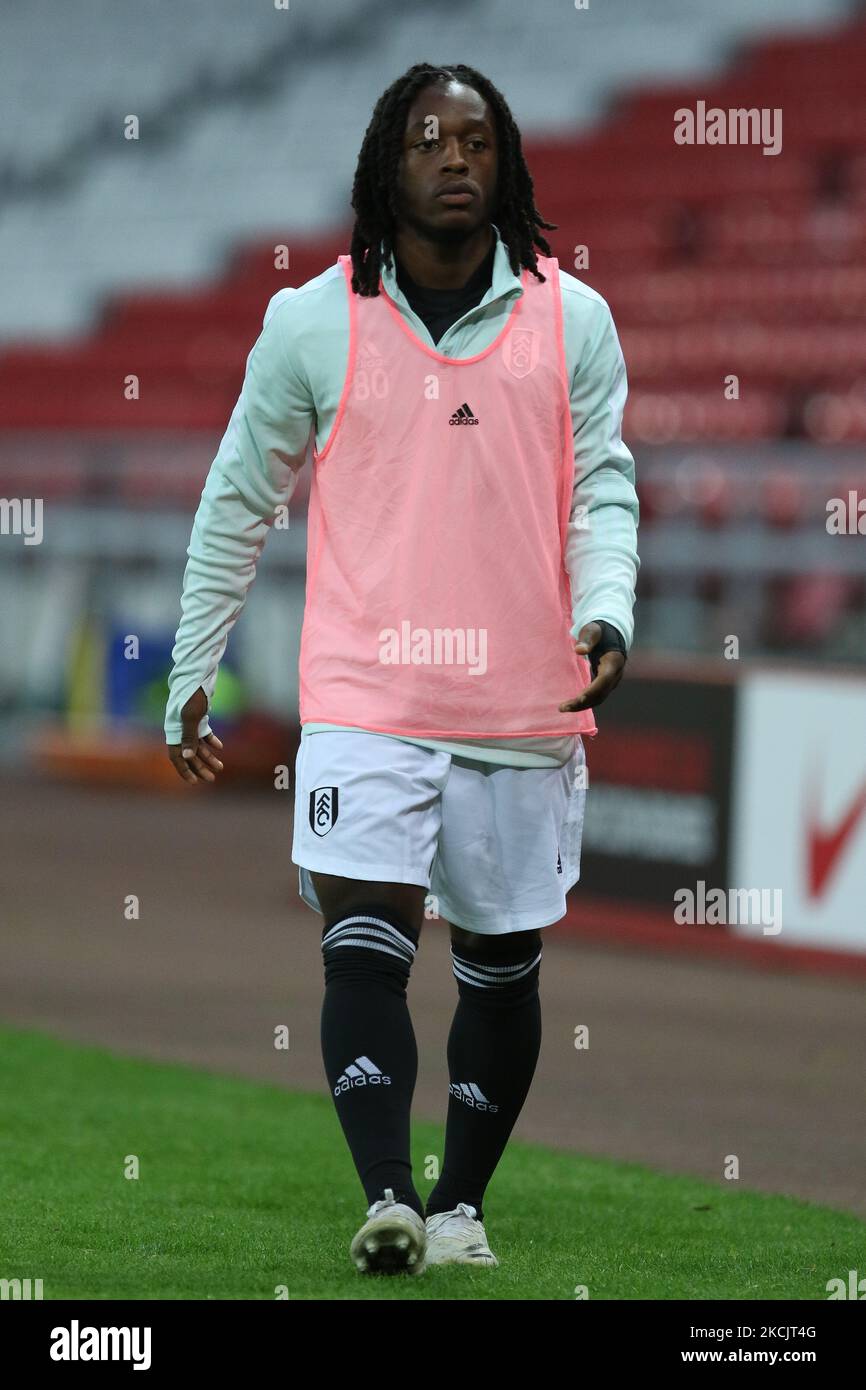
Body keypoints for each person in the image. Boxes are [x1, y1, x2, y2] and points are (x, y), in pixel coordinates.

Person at [165, 62, 639, 1277]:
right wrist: (191, 663)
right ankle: (385, 1194)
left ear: (507, 163)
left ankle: (460, 1199)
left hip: (517, 701)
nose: (454, 158)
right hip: (364, 696)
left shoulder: (570, 319)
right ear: (388, 162)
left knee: (499, 961)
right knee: (362, 932)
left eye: (476, 140)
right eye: (429, 138)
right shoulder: (310, 322)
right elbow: (238, 502)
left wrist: (604, 613)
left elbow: (601, 490)